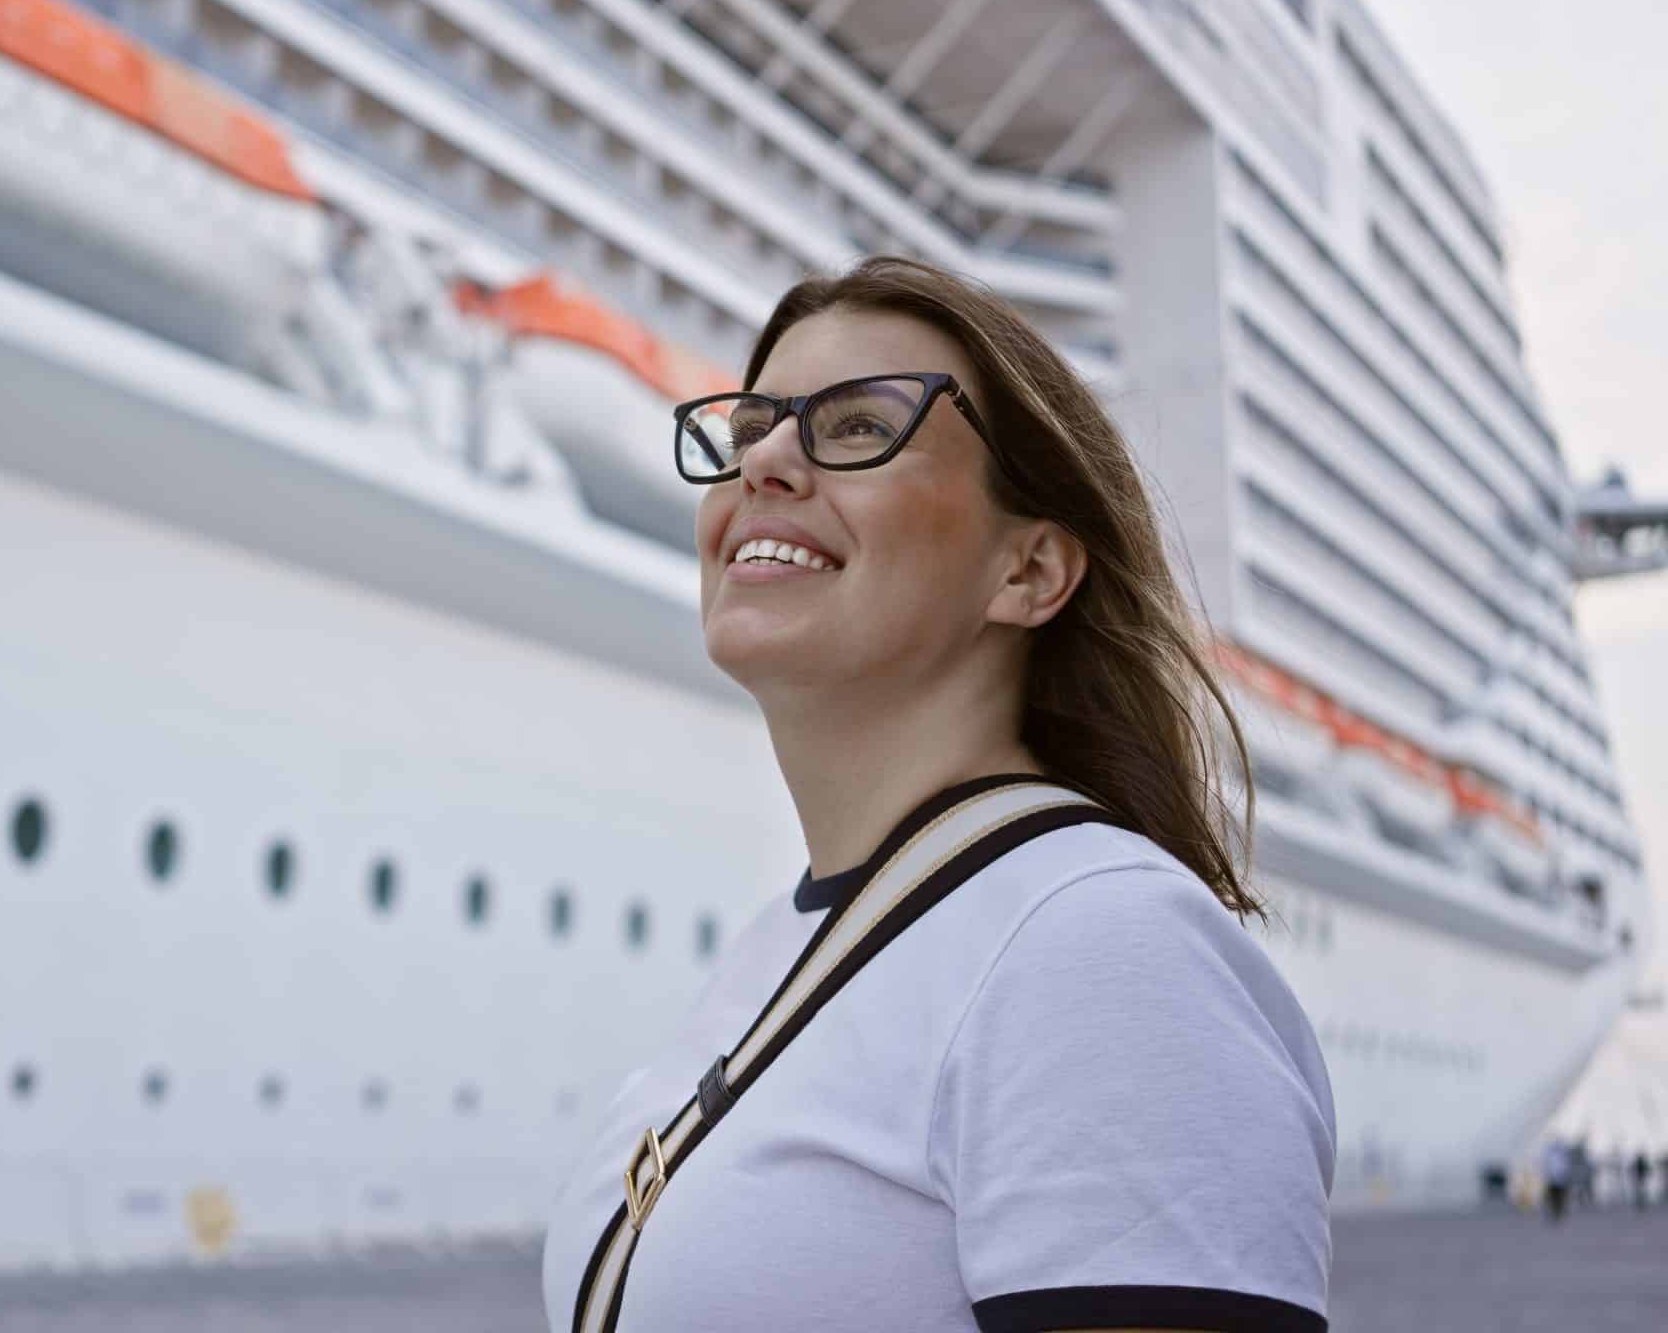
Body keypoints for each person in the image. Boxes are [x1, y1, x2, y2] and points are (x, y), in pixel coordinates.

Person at [542, 257, 1336, 1332]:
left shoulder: (1097, 941)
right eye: (750, 431)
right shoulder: (778, 945)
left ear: (1031, 572)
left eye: (858, 429)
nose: (766, 463)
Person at [1542, 1137, 1573, 1222]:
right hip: (1555, 1180)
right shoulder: (1556, 1155)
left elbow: (1565, 1167)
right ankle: (1555, 1213)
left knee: (1558, 1199)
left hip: (1559, 1180)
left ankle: (1558, 1214)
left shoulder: (1559, 1155)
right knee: (1555, 1198)